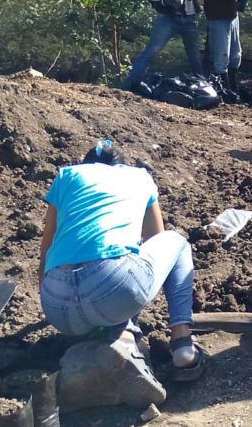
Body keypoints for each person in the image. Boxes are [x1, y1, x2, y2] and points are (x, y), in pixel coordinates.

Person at [38, 141, 205, 408]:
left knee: (118, 260)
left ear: (86, 164)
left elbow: (46, 250)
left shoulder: (67, 176)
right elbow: (154, 241)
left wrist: (48, 303)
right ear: (121, 165)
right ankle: (182, 344)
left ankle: (123, 337)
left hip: (58, 307)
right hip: (112, 288)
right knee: (174, 243)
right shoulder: (139, 176)